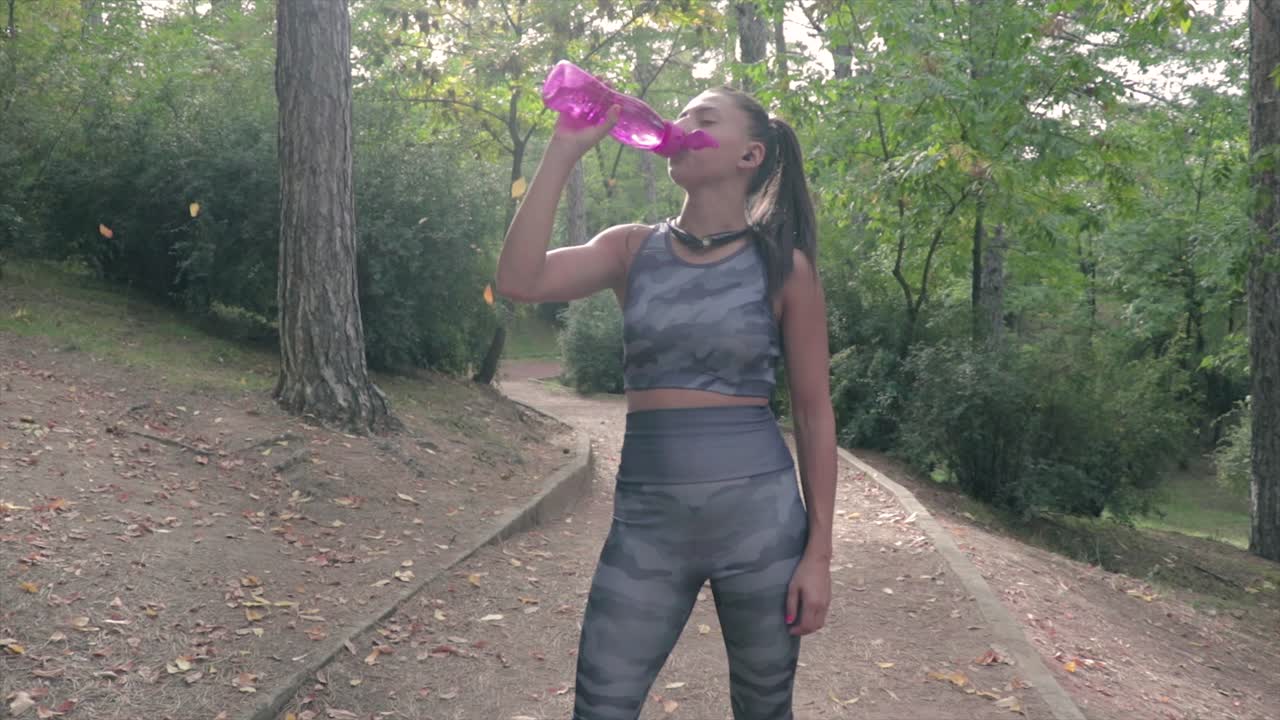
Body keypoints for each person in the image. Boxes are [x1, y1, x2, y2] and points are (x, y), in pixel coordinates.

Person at [494, 84, 837, 720]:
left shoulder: (784, 268)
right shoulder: (631, 248)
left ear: (750, 155)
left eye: (704, 118)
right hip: (648, 527)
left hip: (762, 528)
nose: (682, 124)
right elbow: (519, 281)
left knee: (765, 710)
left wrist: (818, 555)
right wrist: (564, 150)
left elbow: (815, 415)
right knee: (601, 706)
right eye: (680, 115)